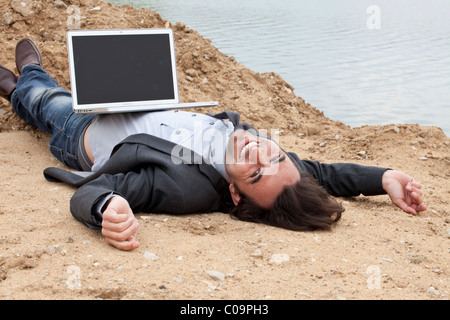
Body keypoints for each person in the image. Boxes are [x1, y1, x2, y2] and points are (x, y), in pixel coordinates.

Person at [0, 38, 427, 251]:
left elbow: (93, 191)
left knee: (46, 102)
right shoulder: (282, 172)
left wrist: (105, 208)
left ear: (237, 193)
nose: (260, 152)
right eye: (274, 154)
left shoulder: (184, 187)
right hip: (142, 102)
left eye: (257, 170)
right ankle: (30, 83)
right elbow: (329, 175)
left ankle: (25, 80)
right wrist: (384, 176)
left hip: (85, 132)